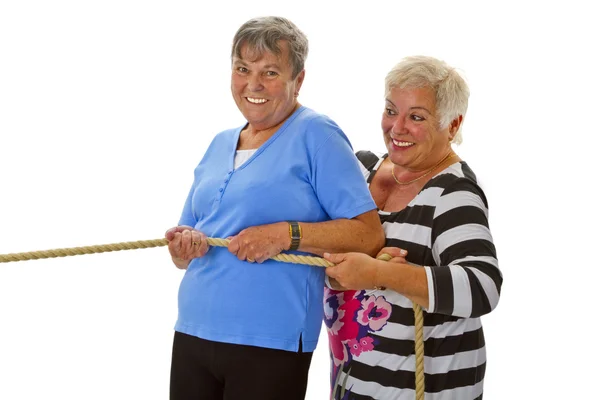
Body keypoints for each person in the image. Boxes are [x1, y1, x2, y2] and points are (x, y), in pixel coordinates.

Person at [164, 16, 385, 400]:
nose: (253, 84)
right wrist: (185, 245)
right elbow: (187, 245)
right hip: (193, 330)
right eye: (242, 69)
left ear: (297, 80)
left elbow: (367, 234)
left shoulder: (317, 134)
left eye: (269, 72)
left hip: (270, 339)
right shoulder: (218, 143)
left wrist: (287, 234)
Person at [323, 56, 502, 400]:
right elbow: (321, 244)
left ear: (452, 125)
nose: (397, 127)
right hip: (352, 385)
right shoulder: (361, 170)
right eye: (391, 111)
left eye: (416, 117)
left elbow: (483, 287)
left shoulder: (453, 193)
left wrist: (382, 273)